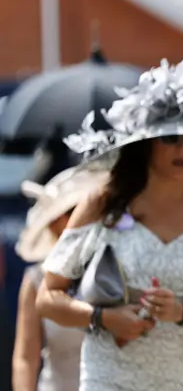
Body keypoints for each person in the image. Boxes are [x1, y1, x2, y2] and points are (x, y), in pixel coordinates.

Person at [35, 56, 183, 391]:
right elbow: (47, 297)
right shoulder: (102, 204)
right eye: (170, 138)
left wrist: (182, 312)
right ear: (144, 143)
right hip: (112, 378)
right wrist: (102, 318)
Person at [12, 167, 108, 391]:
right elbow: (26, 357)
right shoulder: (36, 279)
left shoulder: (118, 270)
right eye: (73, 211)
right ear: (54, 223)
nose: (86, 217)